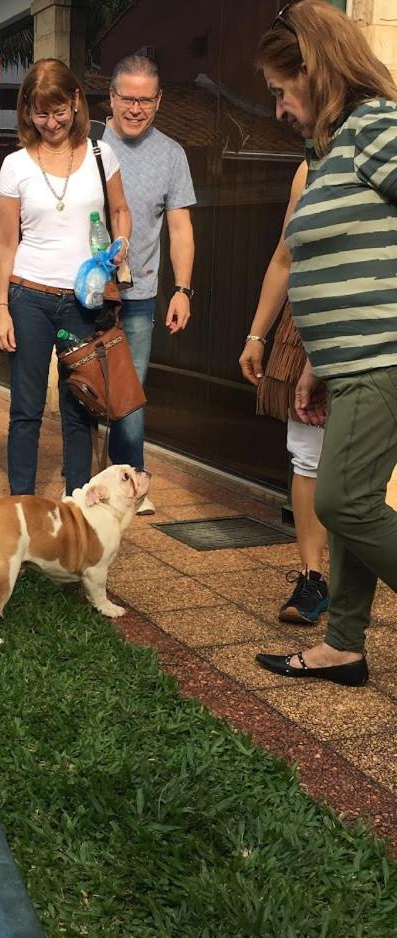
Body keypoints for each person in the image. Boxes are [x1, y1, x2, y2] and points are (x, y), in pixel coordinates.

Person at [253, 0, 397, 687]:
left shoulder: (377, 127)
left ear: (313, 71)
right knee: (350, 500)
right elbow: (333, 260)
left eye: (281, 91)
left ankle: (342, 640)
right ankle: (342, 645)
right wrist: (316, 359)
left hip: (383, 356)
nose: (279, 108)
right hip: (349, 361)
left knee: (343, 503)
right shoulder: (332, 150)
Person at [0, 58, 131, 496]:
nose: (51, 123)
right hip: (28, 297)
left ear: (75, 102)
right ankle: (21, 505)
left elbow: (120, 210)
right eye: (40, 113)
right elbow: (4, 242)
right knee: (26, 408)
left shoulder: (101, 154)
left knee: (79, 408)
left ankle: (78, 506)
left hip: (83, 300)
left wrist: (121, 241)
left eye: (58, 111)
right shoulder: (14, 165)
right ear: (27, 111)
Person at [101, 54, 196, 515]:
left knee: (131, 392)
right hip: (84, 292)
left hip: (139, 295)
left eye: (145, 100)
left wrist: (182, 289)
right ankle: (82, 479)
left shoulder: (172, 155)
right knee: (83, 388)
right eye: (127, 98)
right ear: (111, 97)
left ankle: (131, 480)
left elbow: (180, 229)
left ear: (159, 101)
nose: (135, 109)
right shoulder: (87, 144)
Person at [239, 160, 329, 624]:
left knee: (361, 465)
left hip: (371, 322)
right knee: (307, 455)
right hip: (304, 323)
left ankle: (355, 580)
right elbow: (284, 256)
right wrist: (257, 334)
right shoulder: (308, 168)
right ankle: (314, 578)